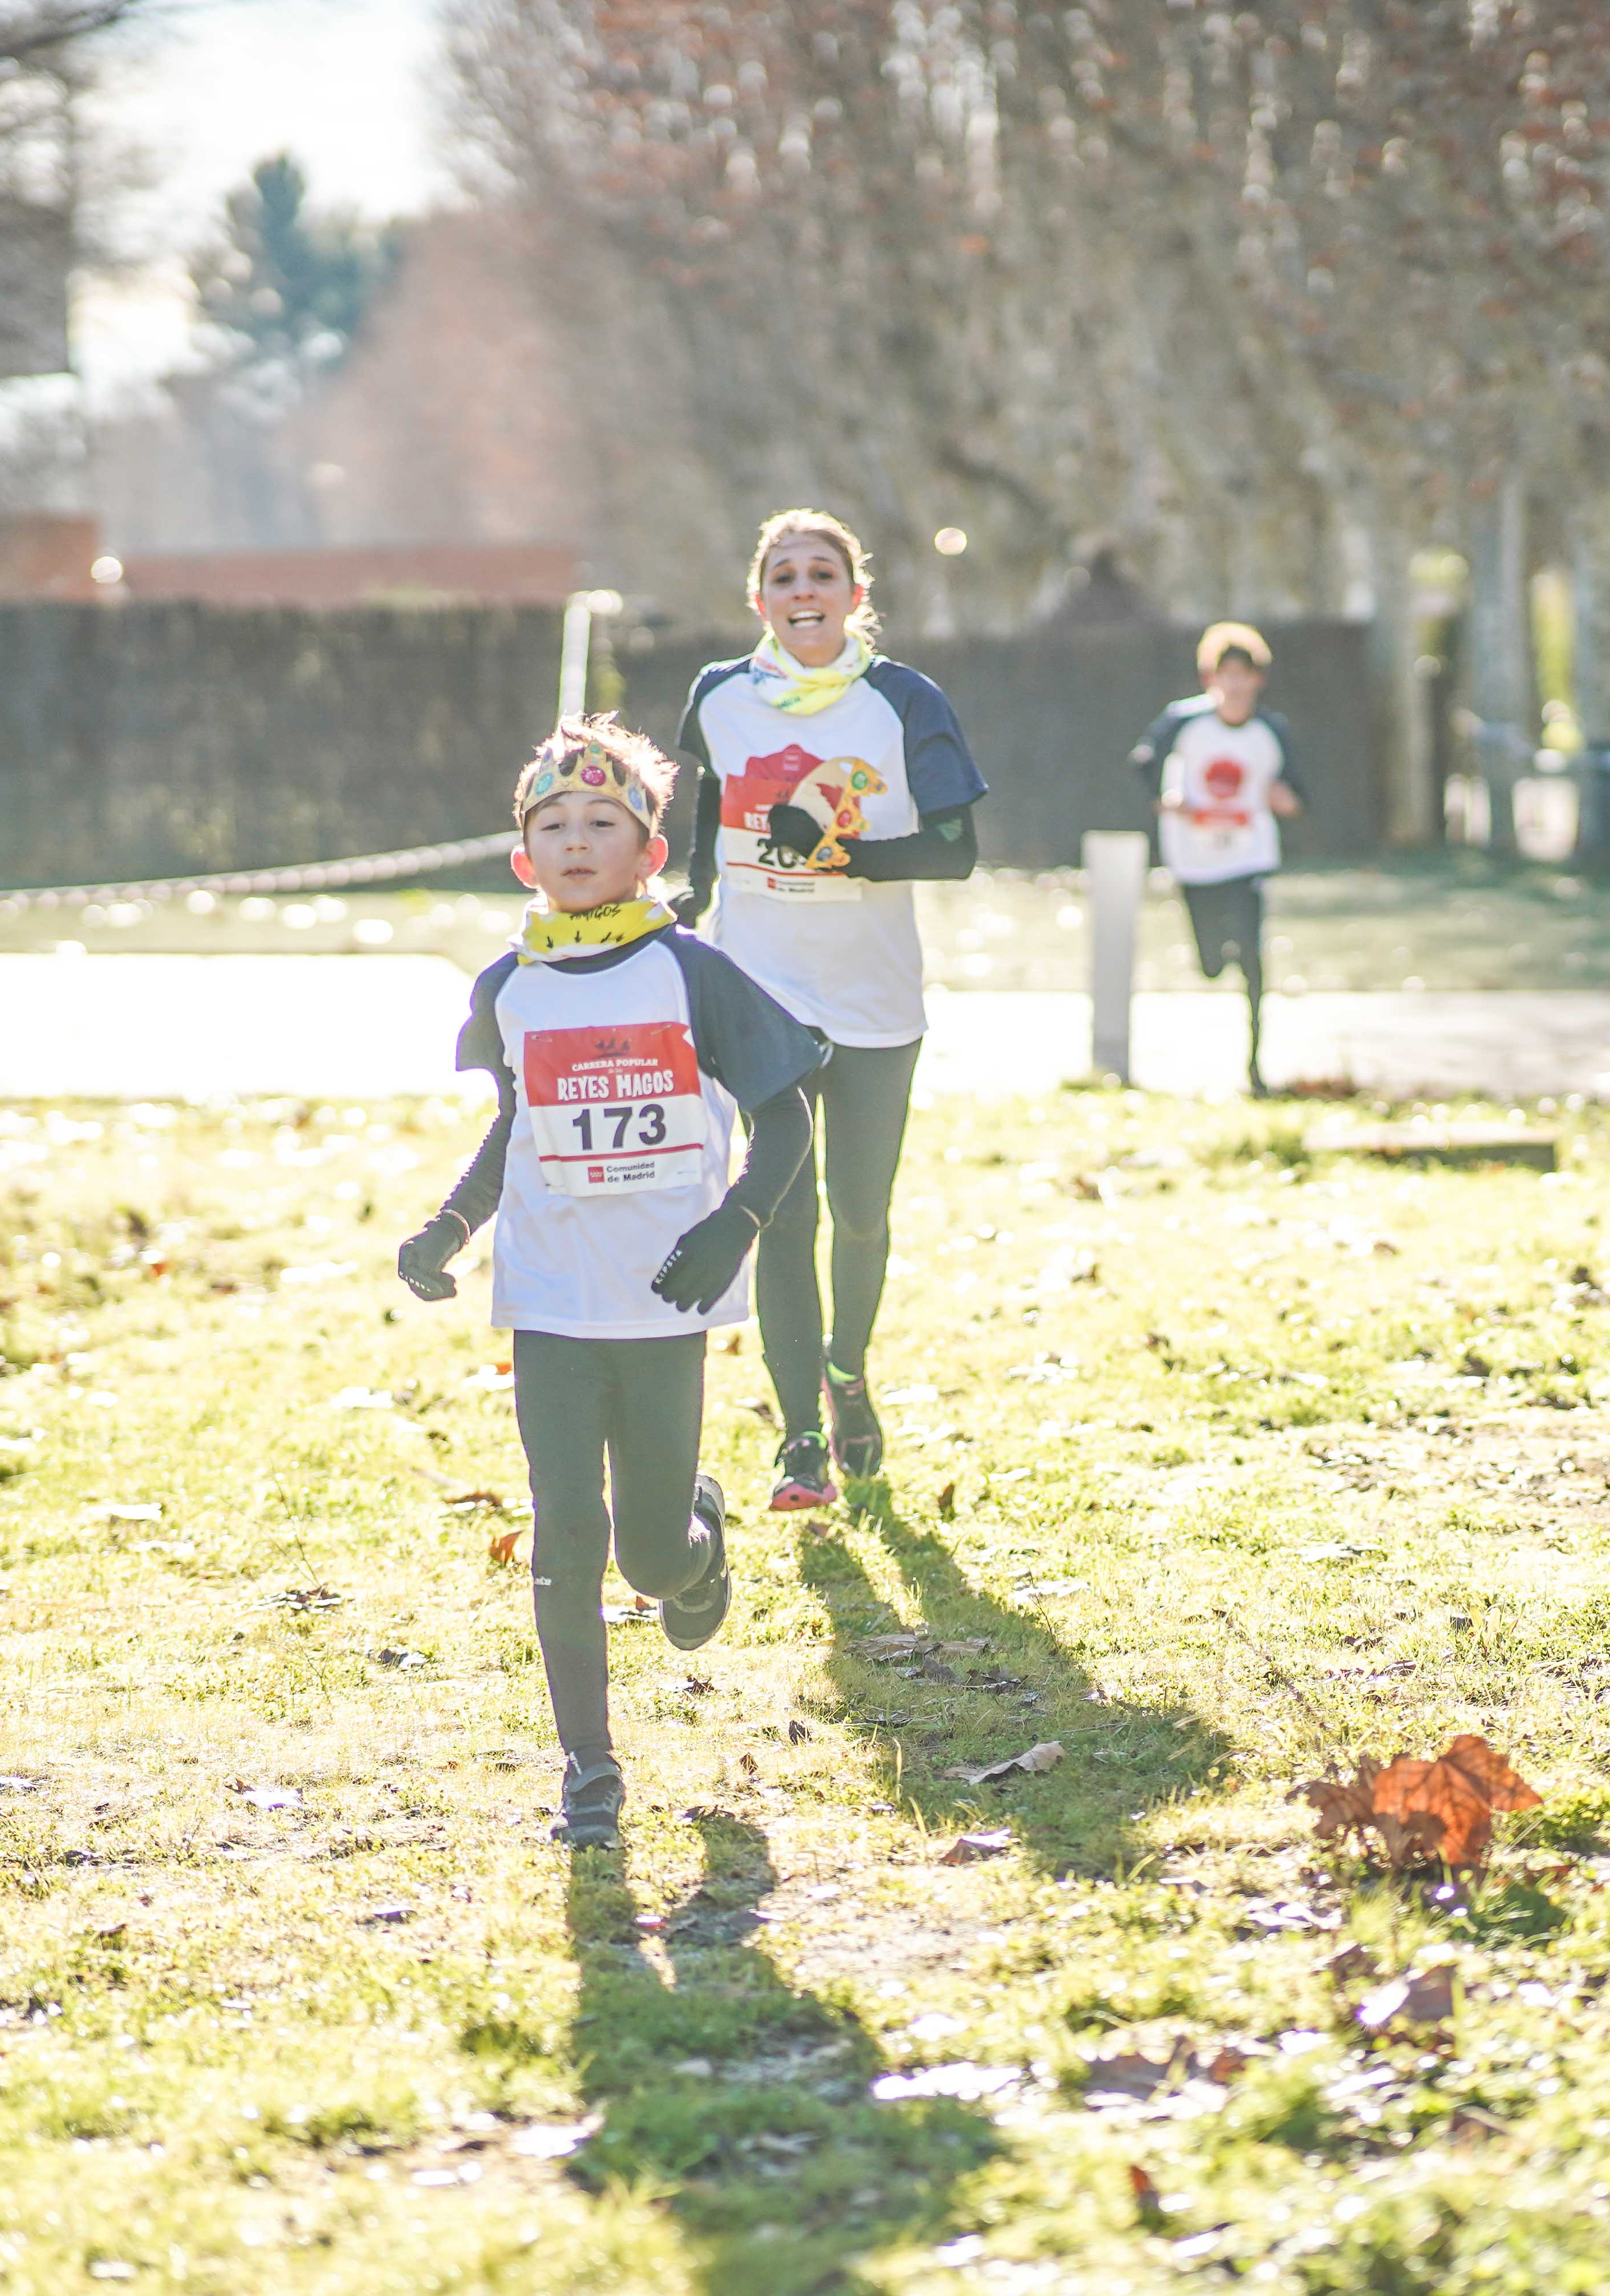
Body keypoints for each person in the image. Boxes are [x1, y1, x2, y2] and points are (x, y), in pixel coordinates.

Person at [398, 716, 825, 1850]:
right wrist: (447, 1225)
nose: (578, 839)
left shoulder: (690, 972)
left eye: (605, 821)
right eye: (554, 824)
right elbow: (513, 1131)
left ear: (649, 851)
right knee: (564, 1531)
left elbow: (785, 1118)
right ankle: (589, 1768)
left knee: (644, 1552)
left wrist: (736, 1224)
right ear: (522, 857)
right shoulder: (510, 987)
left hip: (665, 1298)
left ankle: (694, 1534)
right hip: (546, 1298)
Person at [673, 509, 985, 1513]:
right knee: (781, 1212)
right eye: (783, 575)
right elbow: (707, 816)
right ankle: (798, 1440)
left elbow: (955, 848)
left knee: (860, 1212)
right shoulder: (720, 697)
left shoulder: (901, 701)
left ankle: (846, 1374)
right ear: (760, 599)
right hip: (760, 994)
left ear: (856, 596)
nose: (803, 590)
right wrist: (684, 905)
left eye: (823, 573)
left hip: (874, 997)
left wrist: (846, 857)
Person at [1132, 622, 1303, 1095]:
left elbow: (1296, 789)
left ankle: (1254, 1066)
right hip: (1195, 858)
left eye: (1242, 674)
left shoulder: (1271, 730)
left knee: (1253, 959)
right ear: (1211, 678)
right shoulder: (1183, 722)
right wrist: (1166, 799)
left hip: (1249, 856)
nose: (1233, 684)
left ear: (1256, 679)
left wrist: (1285, 799)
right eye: (1223, 674)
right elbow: (1144, 761)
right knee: (1211, 963)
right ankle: (1221, 948)